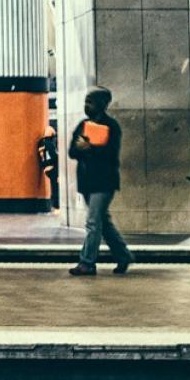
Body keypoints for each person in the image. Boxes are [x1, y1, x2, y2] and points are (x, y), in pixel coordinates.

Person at [68, 87, 132, 277]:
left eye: (90, 102)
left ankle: (87, 262)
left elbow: (112, 155)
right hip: (87, 182)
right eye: (86, 101)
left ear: (102, 105)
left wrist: (90, 148)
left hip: (104, 182)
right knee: (103, 222)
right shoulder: (83, 125)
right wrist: (82, 148)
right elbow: (72, 152)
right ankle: (123, 256)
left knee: (93, 222)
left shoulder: (111, 126)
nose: (86, 105)